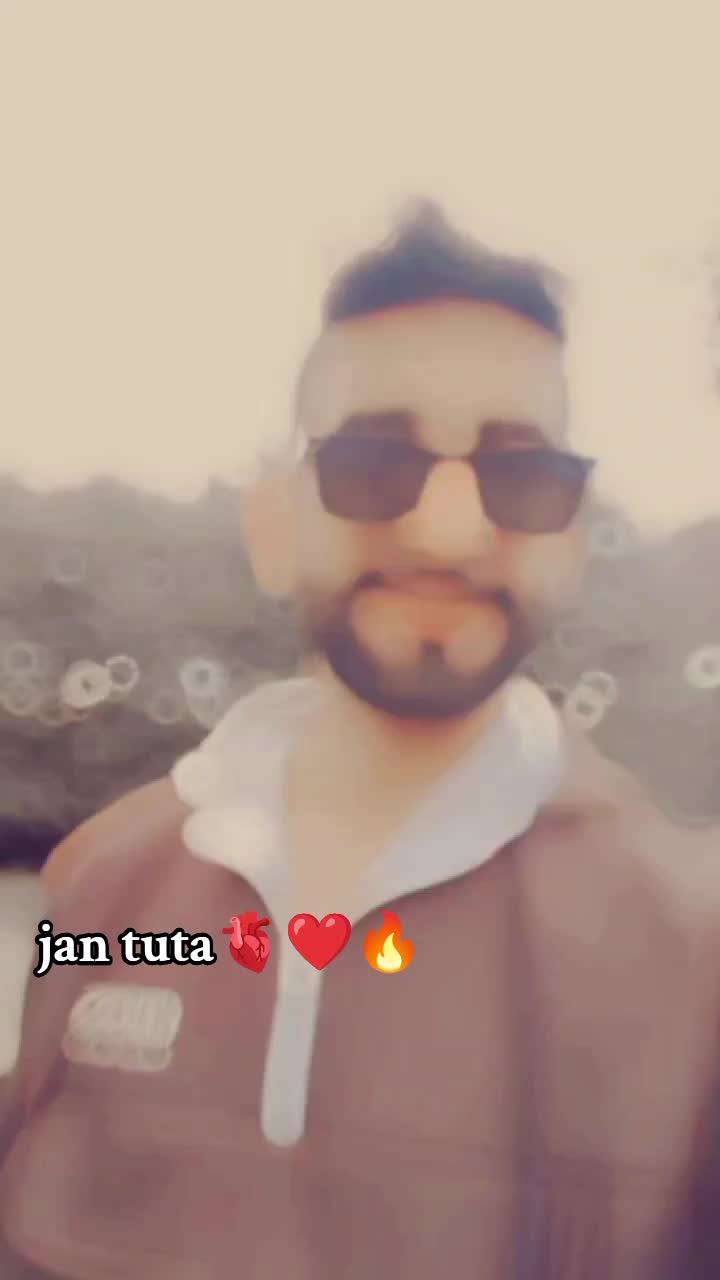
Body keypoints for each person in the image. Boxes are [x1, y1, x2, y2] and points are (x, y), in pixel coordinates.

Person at [1, 204, 719, 1279]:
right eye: (375, 460)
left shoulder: (692, 961)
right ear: (274, 522)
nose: (447, 527)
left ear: (572, 535)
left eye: (520, 474)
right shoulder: (103, 891)